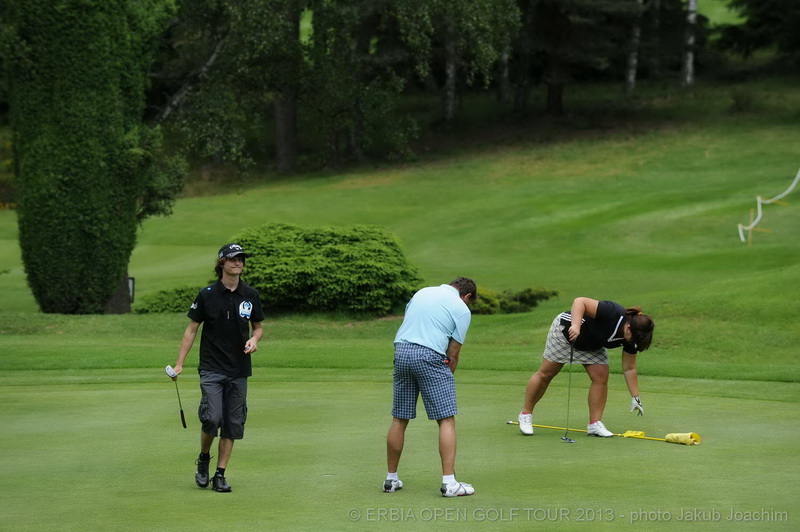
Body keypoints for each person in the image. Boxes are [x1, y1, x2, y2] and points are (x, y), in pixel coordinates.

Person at [169, 243, 264, 492]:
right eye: (233, 259)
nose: (238, 263)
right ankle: (204, 458)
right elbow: (191, 330)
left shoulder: (250, 294)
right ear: (222, 263)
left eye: (241, 259)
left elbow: (258, 327)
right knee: (212, 418)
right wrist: (179, 364)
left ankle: (220, 475)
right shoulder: (207, 294)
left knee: (233, 423)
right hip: (212, 366)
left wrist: (255, 339)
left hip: (239, 368)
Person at [384, 277, 477, 498]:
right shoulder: (461, 309)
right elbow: (453, 353)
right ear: (467, 296)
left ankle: (391, 480)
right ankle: (449, 484)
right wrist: (446, 378)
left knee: (399, 418)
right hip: (429, 355)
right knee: (446, 419)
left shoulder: (422, 292)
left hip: (402, 351)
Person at [517, 297, 654, 437]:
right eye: (632, 339)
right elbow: (580, 301)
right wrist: (576, 325)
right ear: (628, 327)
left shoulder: (633, 338)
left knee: (601, 377)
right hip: (566, 333)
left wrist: (635, 397)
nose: (632, 342)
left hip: (592, 345)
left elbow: (629, 368)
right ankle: (525, 414)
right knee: (546, 373)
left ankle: (595, 424)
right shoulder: (612, 312)